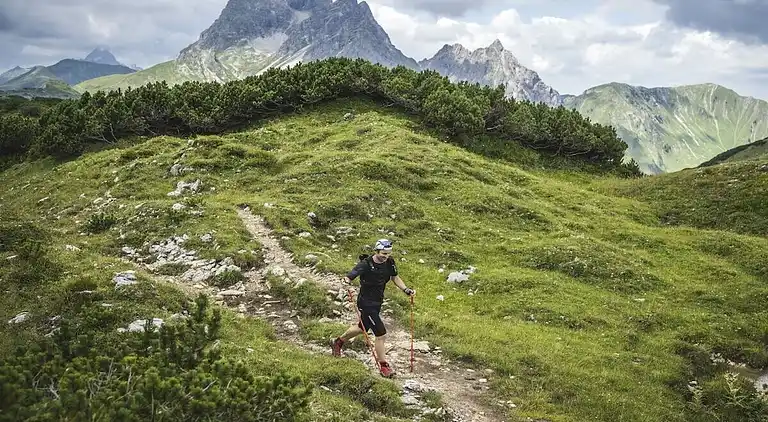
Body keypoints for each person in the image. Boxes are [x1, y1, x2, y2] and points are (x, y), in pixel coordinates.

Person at [330, 238, 415, 378]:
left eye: (388, 253)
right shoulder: (366, 264)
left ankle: (338, 342)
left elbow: (395, 277)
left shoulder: (390, 262)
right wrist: (346, 281)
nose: (385, 256)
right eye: (383, 253)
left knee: (361, 328)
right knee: (380, 333)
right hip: (366, 303)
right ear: (376, 251)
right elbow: (351, 275)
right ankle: (383, 366)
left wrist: (406, 290)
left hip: (377, 301)